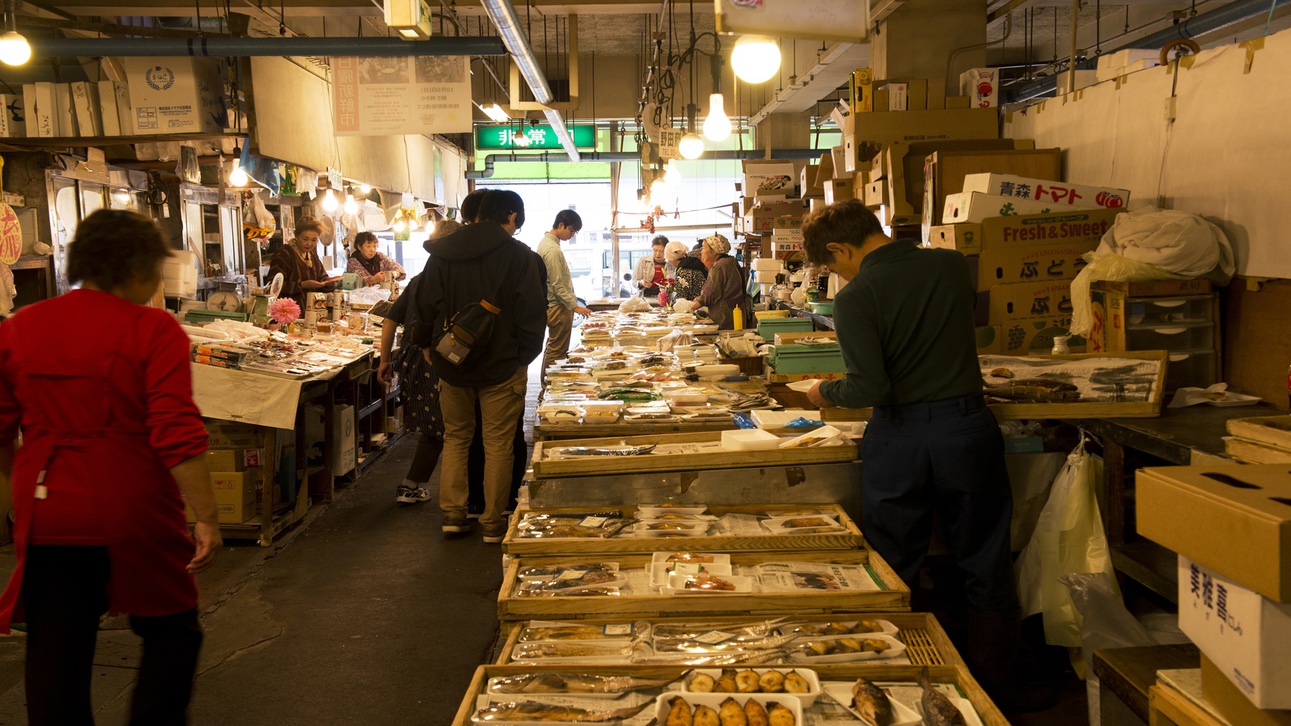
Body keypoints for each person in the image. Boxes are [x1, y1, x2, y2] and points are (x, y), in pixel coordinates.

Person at [802, 200, 1047, 711]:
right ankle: (994, 691)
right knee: (985, 556)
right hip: (967, 429)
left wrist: (825, 394)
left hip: (901, 438)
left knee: (896, 561)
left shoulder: (857, 296)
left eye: (832, 265)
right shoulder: (950, 265)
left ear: (838, 248)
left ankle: (898, 686)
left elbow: (872, 385)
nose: (836, 275)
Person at [0, 209, 222, 725]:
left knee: (57, 647)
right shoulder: (153, 328)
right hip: (133, 505)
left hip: (48, 506)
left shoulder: (21, 327)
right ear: (139, 269)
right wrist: (206, 515)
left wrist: (13, 509)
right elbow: (176, 429)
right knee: (172, 629)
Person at [413, 190, 546, 543]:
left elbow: (424, 302)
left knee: (457, 438)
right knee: (498, 442)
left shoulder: (442, 253)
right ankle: (491, 523)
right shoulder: (520, 256)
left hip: (452, 362)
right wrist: (524, 357)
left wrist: (426, 343)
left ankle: (453, 516)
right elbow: (533, 311)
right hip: (503, 364)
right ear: (513, 217)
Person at [378, 220, 463, 505]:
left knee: (435, 426)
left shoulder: (417, 281)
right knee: (450, 427)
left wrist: (384, 360)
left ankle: (412, 484)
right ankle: (434, 491)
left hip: (413, 360)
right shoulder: (456, 281)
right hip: (442, 358)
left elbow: (390, 320)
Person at [539, 210, 593, 383]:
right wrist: (574, 305)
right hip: (557, 306)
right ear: (561, 225)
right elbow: (557, 284)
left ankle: (547, 386)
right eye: (572, 230)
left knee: (553, 348)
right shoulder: (552, 250)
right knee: (557, 350)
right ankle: (549, 388)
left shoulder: (547, 244)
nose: (572, 235)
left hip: (555, 304)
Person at [267, 216, 336, 307]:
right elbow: (272, 286)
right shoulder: (284, 254)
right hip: (288, 312)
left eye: (314, 240)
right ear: (296, 236)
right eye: (305, 239)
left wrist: (329, 282)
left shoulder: (312, 255)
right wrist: (302, 285)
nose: (309, 243)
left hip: (313, 309)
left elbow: (322, 277)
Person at [694, 234, 747, 330]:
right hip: (736, 313)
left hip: (725, 317)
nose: (701, 251)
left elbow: (709, 294)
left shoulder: (719, 266)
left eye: (703, 248)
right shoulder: (731, 261)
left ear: (714, 251)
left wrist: (691, 306)